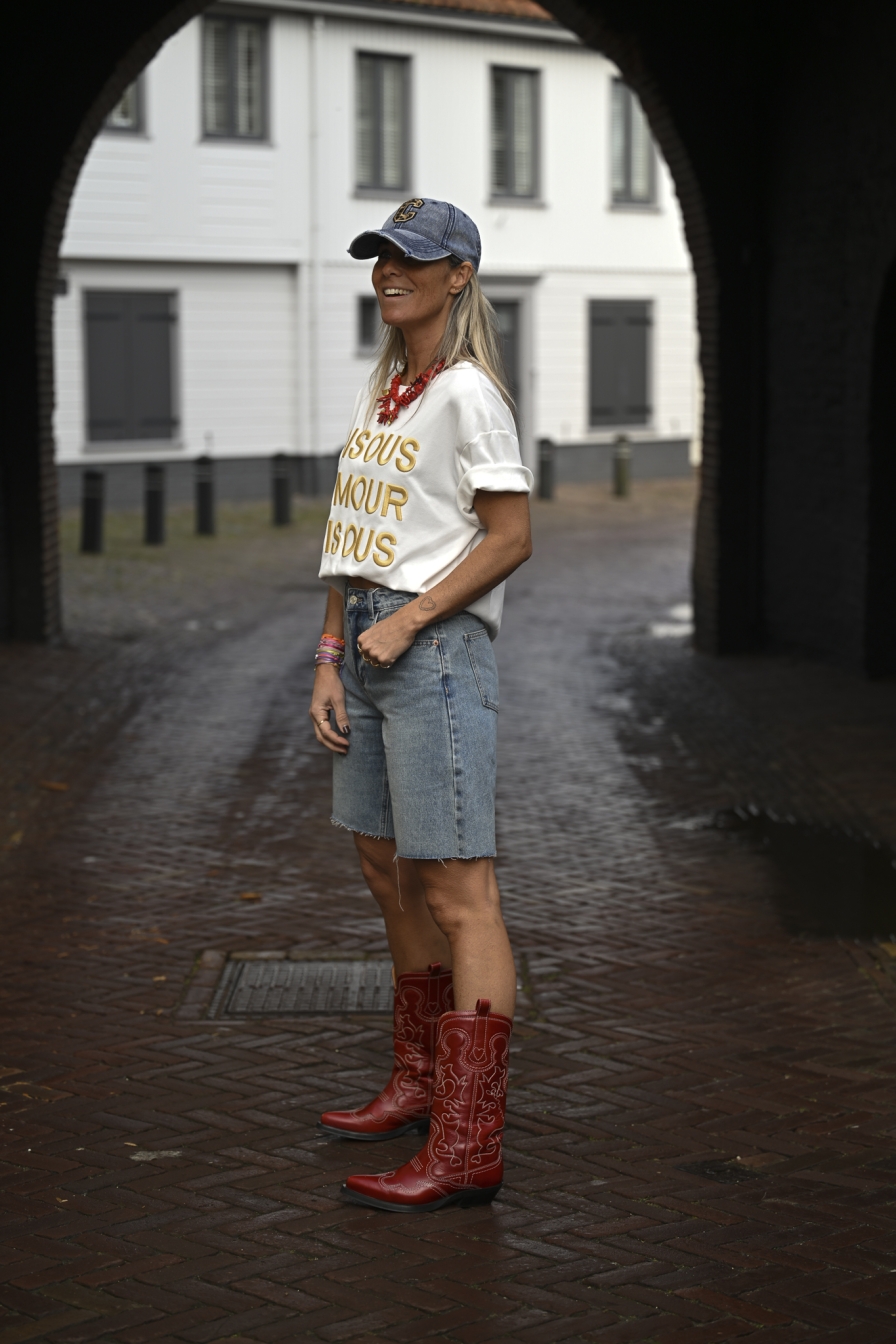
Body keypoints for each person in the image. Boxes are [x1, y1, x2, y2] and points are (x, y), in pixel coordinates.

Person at [309, 198, 533, 1212]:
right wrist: (330, 654)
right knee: (384, 867)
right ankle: (419, 1082)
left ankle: (468, 1144)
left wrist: (407, 622)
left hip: (431, 649)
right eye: (380, 257)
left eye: (412, 258)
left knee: (456, 888)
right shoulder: (387, 390)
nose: (389, 272)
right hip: (366, 643)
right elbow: (350, 532)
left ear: (459, 276)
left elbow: (511, 537)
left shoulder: (468, 395)